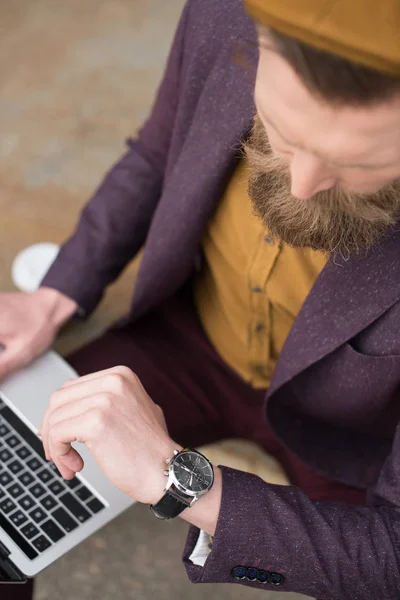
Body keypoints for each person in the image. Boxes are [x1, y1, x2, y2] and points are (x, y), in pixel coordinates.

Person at [1, 0, 400, 598]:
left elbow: (392, 557)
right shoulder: (222, 17)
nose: (301, 185)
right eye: (283, 134)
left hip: (351, 438)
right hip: (187, 339)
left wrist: (178, 483)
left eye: (359, 163)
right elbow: (159, 155)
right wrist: (56, 293)